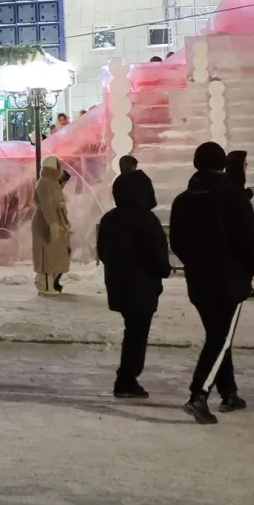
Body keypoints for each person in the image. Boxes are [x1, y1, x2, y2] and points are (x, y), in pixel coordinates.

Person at [169, 142, 254, 425]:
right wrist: (247, 273)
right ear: (222, 164)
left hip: (198, 278)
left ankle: (229, 392)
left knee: (218, 336)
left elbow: (177, 242)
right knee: (220, 338)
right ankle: (199, 394)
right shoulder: (233, 198)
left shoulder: (183, 199)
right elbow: (250, 240)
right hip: (229, 277)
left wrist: (195, 263)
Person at [97, 156, 169, 398]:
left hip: (119, 285)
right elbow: (157, 254)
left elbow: (104, 253)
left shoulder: (110, 219)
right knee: (137, 335)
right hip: (143, 287)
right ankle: (127, 378)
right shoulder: (146, 221)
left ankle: (127, 377)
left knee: (132, 331)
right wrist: (163, 270)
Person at [223, 150, 254, 298]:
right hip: (238, 232)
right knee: (241, 259)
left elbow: (237, 199)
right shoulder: (230, 181)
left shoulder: (235, 180)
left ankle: (244, 287)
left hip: (242, 231)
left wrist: (247, 193)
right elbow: (234, 202)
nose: (246, 164)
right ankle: (240, 288)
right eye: (244, 162)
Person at [31, 156, 72, 296]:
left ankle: (49, 284)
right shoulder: (44, 183)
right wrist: (53, 224)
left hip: (53, 222)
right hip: (46, 223)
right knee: (46, 255)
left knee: (54, 255)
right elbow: (47, 205)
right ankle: (45, 285)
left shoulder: (51, 182)